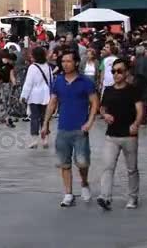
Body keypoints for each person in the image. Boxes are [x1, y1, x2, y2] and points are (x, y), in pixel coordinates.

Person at [41, 49, 99, 207]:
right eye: (63, 61)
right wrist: (45, 123)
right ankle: (68, 193)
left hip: (80, 128)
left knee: (82, 162)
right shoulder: (58, 81)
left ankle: (85, 183)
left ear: (76, 63)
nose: (65, 64)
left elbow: (94, 102)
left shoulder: (86, 82)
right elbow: (52, 102)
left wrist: (90, 121)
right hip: (63, 127)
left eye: (68, 61)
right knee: (64, 163)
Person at [97, 59, 143, 211]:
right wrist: (105, 115)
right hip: (112, 135)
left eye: (119, 71)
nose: (116, 74)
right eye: (113, 71)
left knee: (131, 169)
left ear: (126, 72)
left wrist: (136, 124)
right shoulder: (109, 90)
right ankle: (105, 196)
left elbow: (140, 110)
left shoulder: (133, 90)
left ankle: (132, 197)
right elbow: (102, 108)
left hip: (129, 135)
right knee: (107, 167)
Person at [20, 46, 52, 149]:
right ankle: (45, 139)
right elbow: (51, 81)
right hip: (46, 95)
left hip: (34, 95)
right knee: (45, 118)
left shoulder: (32, 67)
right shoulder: (48, 67)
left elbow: (28, 83)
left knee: (35, 117)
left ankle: (34, 140)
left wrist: (23, 96)